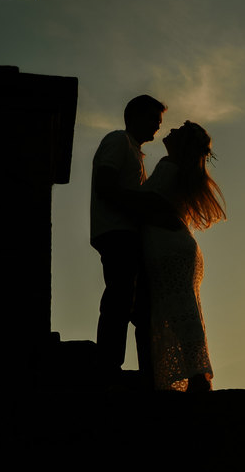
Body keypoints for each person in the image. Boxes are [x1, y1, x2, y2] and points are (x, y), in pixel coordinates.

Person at [139, 121, 226, 392]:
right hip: (179, 247)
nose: (172, 130)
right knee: (184, 310)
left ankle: (196, 376)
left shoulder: (169, 167)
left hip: (167, 247)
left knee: (177, 310)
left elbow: (144, 202)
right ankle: (197, 375)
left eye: (179, 130)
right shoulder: (180, 171)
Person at [89, 94, 166, 380]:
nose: (157, 126)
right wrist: (141, 205)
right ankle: (108, 365)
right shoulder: (118, 141)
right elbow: (105, 185)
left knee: (138, 302)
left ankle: (147, 370)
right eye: (154, 120)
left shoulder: (134, 151)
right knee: (120, 297)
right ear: (136, 117)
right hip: (117, 232)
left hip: (128, 234)